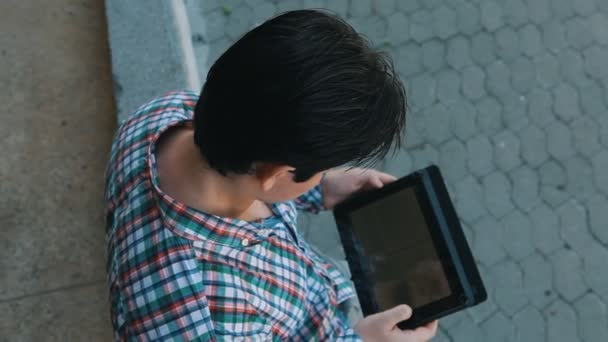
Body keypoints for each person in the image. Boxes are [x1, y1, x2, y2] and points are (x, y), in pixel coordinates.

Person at [104, 9, 438, 341]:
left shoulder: (163, 114)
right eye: (320, 169)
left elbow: (251, 154)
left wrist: (321, 188)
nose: (324, 174)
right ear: (276, 173)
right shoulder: (209, 319)